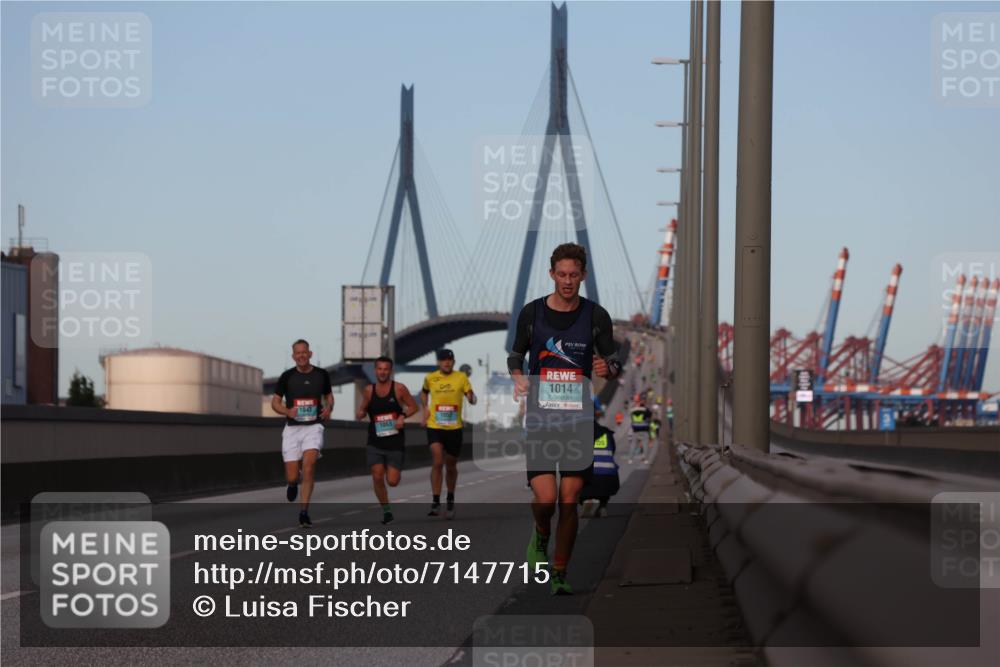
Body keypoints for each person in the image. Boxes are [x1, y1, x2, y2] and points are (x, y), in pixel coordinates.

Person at [508, 242, 622, 595]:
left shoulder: (596, 316)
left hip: (577, 422)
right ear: (552, 275)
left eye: (574, 275)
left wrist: (608, 368)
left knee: (569, 500)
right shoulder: (532, 313)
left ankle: (559, 572)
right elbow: (516, 355)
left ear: (583, 276)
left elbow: (613, 361)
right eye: (562, 275)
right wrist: (518, 377)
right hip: (542, 420)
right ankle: (541, 534)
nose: (568, 281)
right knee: (546, 499)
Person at [271, 339, 333, 528]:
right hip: (292, 429)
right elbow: (275, 403)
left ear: (310, 354)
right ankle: (292, 484)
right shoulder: (287, 376)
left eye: (304, 352)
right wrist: (287, 411)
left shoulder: (321, 374)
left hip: (314, 426)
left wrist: (329, 408)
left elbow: (328, 396)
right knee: (292, 476)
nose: (301, 356)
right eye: (298, 353)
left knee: (309, 466)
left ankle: (304, 513)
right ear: (293, 356)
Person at [356, 356, 419, 525]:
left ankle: (396, 470)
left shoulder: (399, 389)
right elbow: (362, 409)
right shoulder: (369, 390)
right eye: (380, 369)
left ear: (390, 371)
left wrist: (402, 416)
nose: (382, 372)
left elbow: (414, 407)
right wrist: (360, 413)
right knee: (377, 476)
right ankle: (386, 511)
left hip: (395, 442)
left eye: (386, 369)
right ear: (375, 371)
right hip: (375, 441)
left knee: (392, 481)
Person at [421, 349, 477, 519]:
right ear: (438, 362)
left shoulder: (461, 377)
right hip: (435, 426)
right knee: (438, 461)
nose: (447, 362)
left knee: (451, 465)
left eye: (449, 360)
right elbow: (424, 392)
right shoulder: (430, 378)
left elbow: (470, 395)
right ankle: (435, 501)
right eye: (443, 360)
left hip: (454, 428)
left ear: (453, 362)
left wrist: (471, 398)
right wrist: (425, 408)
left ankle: (450, 498)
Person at [579, 421, 619, 518]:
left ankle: (586, 500)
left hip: (589, 473)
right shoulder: (607, 433)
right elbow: (612, 450)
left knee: (578, 479)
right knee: (605, 489)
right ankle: (602, 506)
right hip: (608, 473)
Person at [628, 399, 652, 464]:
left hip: (635, 429)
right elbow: (650, 416)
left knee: (633, 445)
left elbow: (631, 417)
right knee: (645, 445)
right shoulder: (646, 409)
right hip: (644, 429)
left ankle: (630, 459)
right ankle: (646, 460)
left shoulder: (633, 410)